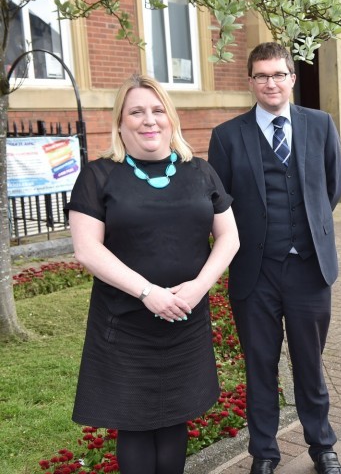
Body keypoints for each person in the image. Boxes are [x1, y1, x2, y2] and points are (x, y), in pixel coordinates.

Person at [67, 74, 240, 474]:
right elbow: (87, 249)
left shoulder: (199, 171)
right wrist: (148, 293)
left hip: (185, 317)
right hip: (125, 325)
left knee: (175, 417)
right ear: (121, 122)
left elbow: (229, 236)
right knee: (136, 425)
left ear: (171, 118)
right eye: (137, 112)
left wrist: (198, 289)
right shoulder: (98, 176)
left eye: (158, 110)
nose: (149, 120)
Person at [207, 42, 341, 474]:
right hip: (255, 272)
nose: (271, 82)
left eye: (279, 74)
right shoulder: (227, 136)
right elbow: (220, 204)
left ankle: (322, 446)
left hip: (309, 268)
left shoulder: (321, 124)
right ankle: (264, 454)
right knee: (260, 367)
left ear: (292, 77)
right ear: (251, 82)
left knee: (310, 364)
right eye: (262, 75)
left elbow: (332, 189)